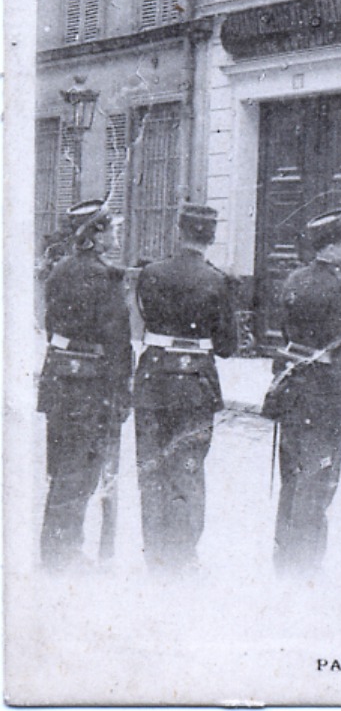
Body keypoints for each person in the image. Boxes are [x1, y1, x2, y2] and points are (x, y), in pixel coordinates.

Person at [133, 203, 236, 572]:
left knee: (151, 468)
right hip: (195, 384)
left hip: (153, 380)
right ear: (211, 236)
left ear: (180, 231)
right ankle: (183, 555)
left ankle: (154, 552)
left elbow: (145, 319)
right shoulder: (217, 281)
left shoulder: (150, 273)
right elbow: (227, 346)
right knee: (187, 469)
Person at [263, 210, 341, 576]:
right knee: (316, 486)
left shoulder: (294, 279)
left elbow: (286, 337)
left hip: (293, 397)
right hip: (324, 403)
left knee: (292, 481)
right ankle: (304, 572)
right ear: (334, 247)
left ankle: (284, 561)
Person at [38, 201, 132, 570]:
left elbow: (50, 324)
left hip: (59, 376)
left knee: (62, 465)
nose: (115, 234)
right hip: (91, 383)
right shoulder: (106, 277)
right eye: (110, 228)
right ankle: (64, 555)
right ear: (94, 235)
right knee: (82, 470)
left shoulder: (58, 270)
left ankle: (56, 548)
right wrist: (122, 391)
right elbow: (118, 341)